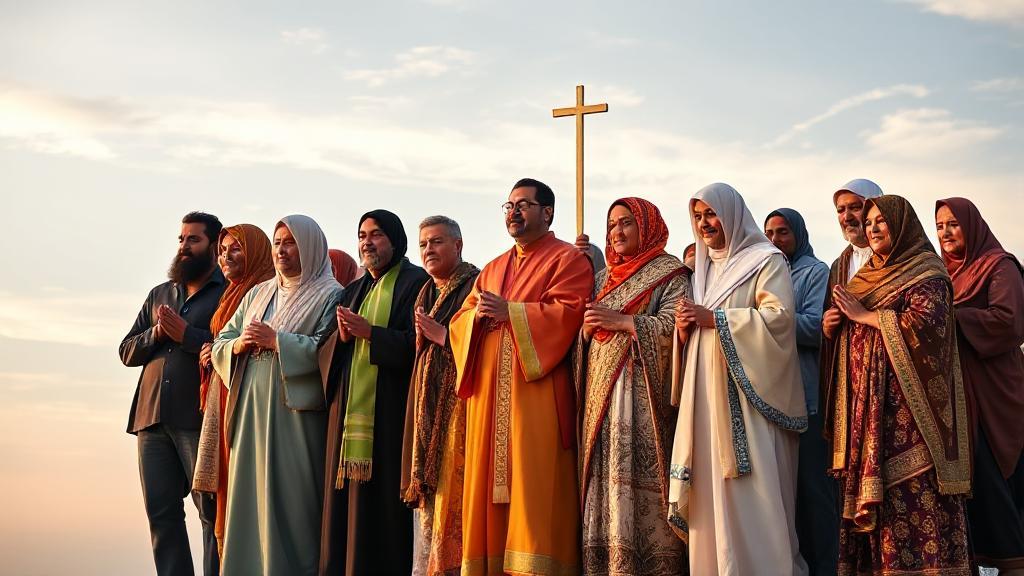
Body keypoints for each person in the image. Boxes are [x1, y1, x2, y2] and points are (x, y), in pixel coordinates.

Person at [449, 178, 593, 575]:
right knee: (486, 492)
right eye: (509, 205)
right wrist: (475, 319)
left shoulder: (568, 260)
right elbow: (460, 320)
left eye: (524, 204)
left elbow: (570, 312)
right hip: (488, 399)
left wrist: (511, 312)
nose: (513, 211)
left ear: (547, 212)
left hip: (536, 393)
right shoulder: (492, 268)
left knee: (534, 485)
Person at [823, 195, 970, 575]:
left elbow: (929, 328)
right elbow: (851, 330)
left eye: (880, 221)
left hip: (913, 414)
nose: (871, 228)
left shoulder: (928, 271)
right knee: (880, 504)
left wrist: (868, 316)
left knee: (914, 495)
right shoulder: (863, 277)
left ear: (901, 224)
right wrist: (835, 329)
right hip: (868, 412)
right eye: (868, 222)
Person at [668, 183, 808, 575]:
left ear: (731, 214)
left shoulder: (765, 260)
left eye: (711, 214)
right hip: (705, 400)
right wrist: (684, 330)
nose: (705, 223)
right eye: (697, 217)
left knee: (754, 490)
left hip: (749, 402)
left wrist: (715, 320)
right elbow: (697, 327)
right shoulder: (703, 269)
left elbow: (779, 319)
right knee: (709, 492)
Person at [211, 215, 341, 575]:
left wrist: (277, 341)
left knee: (293, 502)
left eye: (291, 242)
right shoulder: (259, 292)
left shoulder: (331, 294)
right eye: (278, 242)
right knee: (248, 498)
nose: (282, 250)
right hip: (251, 404)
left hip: (295, 415)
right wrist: (240, 344)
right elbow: (224, 338)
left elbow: (328, 351)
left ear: (310, 246)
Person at [574, 197, 689, 575]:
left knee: (644, 486)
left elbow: (677, 329)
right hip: (601, 402)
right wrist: (586, 333)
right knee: (603, 486)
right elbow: (587, 333)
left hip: (642, 402)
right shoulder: (604, 277)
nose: (617, 232)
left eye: (626, 223)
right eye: (611, 225)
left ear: (646, 226)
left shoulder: (670, 273)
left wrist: (623, 322)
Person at [320, 209, 430, 576]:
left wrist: (372, 334)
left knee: (384, 513)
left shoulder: (417, 284)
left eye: (377, 234)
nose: (368, 242)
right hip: (349, 419)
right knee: (345, 515)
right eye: (363, 235)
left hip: (390, 415)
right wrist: (344, 338)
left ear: (396, 240)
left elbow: (422, 348)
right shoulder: (353, 289)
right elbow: (326, 349)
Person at [119, 211, 225, 576]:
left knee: (210, 513)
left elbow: (227, 350)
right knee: (161, 514)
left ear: (214, 244)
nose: (184, 247)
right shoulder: (160, 294)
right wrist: (157, 334)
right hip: (151, 420)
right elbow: (126, 352)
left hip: (197, 419)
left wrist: (187, 336)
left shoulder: (228, 293)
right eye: (181, 239)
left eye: (193, 239)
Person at [936, 198, 1024, 575]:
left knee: (1000, 483)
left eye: (953, 224)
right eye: (939, 226)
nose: (945, 232)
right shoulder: (942, 274)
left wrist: (952, 317)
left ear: (972, 225)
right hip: (961, 395)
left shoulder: (998, 265)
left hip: (996, 393)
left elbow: (1009, 321)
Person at [400, 216, 479, 576]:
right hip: (426, 414)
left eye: (436, 242)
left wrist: (444, 335)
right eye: (423, 245)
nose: (428, 250)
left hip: (459, 413)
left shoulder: (474, 285)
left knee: (454, 502)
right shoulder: (425, 293)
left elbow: (487, 345)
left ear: (458, 246)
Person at [193, 224, 275, 556]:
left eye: (236, 249)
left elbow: (251, 341)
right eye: (223, 250)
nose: (226, 256)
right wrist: (212, 351)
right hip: (222, 388)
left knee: (237, 490)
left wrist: (220, 349)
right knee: (214, 498)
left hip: (244, 396)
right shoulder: (230, 294)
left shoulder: (262, 292)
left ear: (256, 252)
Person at [764, 208, 836, 575]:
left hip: (806, 399)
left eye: (783, 233)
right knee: (780, 497)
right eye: (769, 233)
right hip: (770, 400)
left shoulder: (815, 272)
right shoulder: (762, 273)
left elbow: (817, 329)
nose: (775, 241)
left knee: (814, 495)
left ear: (798, 235)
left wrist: (762, 323)